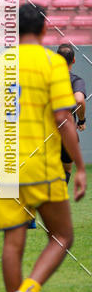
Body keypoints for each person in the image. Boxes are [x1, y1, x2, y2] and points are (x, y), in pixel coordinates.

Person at [0, 3, 86, 292]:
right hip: (43, 166)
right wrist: (80, 166)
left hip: (5, 167)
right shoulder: (52, 63)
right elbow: (63, 117)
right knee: (62, 236)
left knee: (14, 241)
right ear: (44, 28)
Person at [56, 42, 87, 185]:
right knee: (66, 169)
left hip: (42, 130)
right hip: (66, 131)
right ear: (73, 60)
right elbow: (80, 100)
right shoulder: (76, 80)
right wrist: (81, 120)